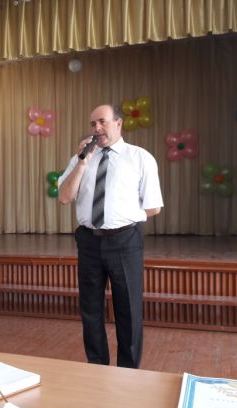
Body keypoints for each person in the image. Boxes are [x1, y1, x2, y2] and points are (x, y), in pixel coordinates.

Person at [58, 104, 163, 369]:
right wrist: (82, 162)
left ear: (118, 123)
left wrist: (120, 215)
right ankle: (97, 367)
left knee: (128, 310)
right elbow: (64, 197)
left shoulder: (140, 158)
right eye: (93, 124)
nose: (97, 128)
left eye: (102, 122)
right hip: (89, 241)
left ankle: (128, 372)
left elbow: (153, 207)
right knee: (90, 310)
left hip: (125, 241)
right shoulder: (81, 158)